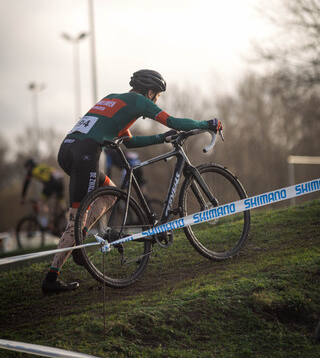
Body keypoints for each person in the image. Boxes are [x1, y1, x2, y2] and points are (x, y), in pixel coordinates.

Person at [41, 69, 223, 293]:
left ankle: (79, 240)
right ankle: (51, 278)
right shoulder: (139, 101)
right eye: (157, 96)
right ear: (150, 92)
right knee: (76, 218)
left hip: (68, 149)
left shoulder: (114, 99)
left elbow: (129, 142)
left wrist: (161, 138)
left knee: (109, 192)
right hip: (85, 153)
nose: (157, 101)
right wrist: (207, 124)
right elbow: (173, 121)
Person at [21, 159, 65, 226]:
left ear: (29, 166)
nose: (27, 170)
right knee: (62, 205)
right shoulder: (42, 166)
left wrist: (23, 197)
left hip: (51, 183)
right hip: (60, 181)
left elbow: (26, 184)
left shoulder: (32, 171)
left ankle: (47, 223)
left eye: (27, 168)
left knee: (40, 203)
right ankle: (68, 220)